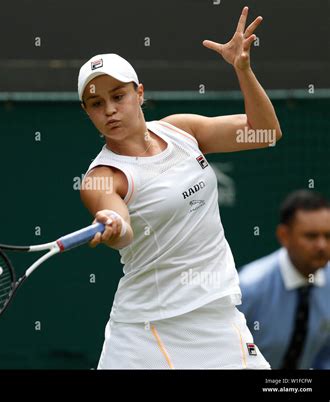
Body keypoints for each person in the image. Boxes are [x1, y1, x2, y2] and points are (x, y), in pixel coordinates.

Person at [78, 6, 282, 369]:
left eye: (118, 96)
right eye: (97, 103)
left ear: (139, 93)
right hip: (145, 328)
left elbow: (265, 133)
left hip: (218, 315)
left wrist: (243, 70)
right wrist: (113, 224)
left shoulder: (181, 130)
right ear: (88, 113)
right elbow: (120, 230)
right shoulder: (103, 176)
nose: (109, 109)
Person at [238, 190, 330, 369]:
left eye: (328, 236)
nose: (322, 245)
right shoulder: (249, 288)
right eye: (311, 236)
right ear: (284, 236)